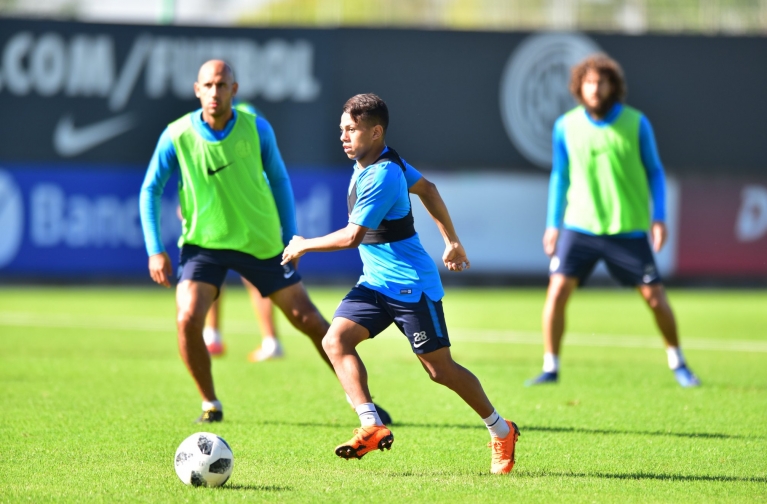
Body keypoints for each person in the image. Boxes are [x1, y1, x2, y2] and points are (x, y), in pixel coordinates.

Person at [139, 60, 393, 423]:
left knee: (309, 320)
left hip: (259, 243)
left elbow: (279, 181)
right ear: (197, 90)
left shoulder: (256, 129)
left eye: (222, 85)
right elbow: (150, 189)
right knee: (186, 319)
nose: (215, 92)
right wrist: (155, 250)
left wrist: (292, 238)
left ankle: (364, 403)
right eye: (208, 85)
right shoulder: (176, 134)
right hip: (203, 245)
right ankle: (210, 404)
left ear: (234, 90)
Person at [281, 93, 519, 474]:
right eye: (341, 129)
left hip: (411, 287)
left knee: (440, 370)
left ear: (375, 132)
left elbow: (352, 237)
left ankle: (501, 430)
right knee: (334, 341)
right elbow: (428, 189)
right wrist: (451, 241)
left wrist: (303, 245)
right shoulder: (378, 160)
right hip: (376, 283)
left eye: (352, 130)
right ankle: (371, 424)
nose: (343, 137)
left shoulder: (383, 174)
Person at [526, 54, 701, 388]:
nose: (595, 88)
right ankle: (551, 366)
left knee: (654, 297)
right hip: (579, 226)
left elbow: (655, 171)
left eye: (601, 82)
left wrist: (659, 217)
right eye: (589, 82)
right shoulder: (565, 126)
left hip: (628, 228)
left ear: (612, 86)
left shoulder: (637, 123)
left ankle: (677, 361)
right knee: (557, 291)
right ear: (580, 86)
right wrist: (553, 223)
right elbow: (560, 176)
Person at [201, 101, 283, 363]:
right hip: (231, 217)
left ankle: (268, 341)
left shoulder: (246, 123)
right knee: (217, 274)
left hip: (247, 217)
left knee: (252, 279)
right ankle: (213, 336)